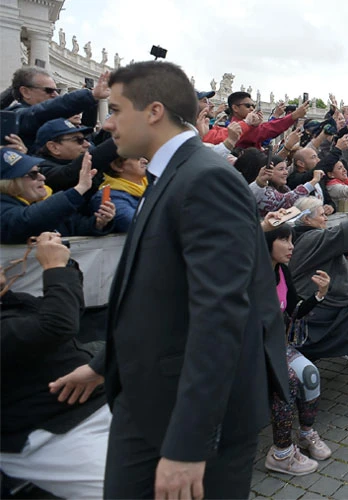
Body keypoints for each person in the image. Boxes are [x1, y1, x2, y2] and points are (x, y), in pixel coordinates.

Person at [50, 61, 291, 498]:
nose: (107, 123)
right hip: (152, 401)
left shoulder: (206, 179)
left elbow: (220, 316)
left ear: (154, 111)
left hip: (189, 423)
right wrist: (106, 365)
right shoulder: (176, 174)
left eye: (118, 109)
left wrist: (187, 445)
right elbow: (160, 298)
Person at [1, 232, 110, 499]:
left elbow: (68, 311)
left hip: (101, 404)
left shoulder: (10, 302)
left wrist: (66, 263)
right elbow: (56, 326)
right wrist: (54, 268)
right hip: (49, 433)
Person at [263, 225, 332, 476]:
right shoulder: (251, 273)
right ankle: (281, 454)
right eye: (283, 239)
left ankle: (305, 434)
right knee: (287, 381)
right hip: (249, 352)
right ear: (266, 241)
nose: (291, 246)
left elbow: (294, 311)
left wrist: (320, 294)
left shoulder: (282, 271)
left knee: (310, 373)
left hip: (277, 347)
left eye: (292, 240)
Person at [289, 190, 348, 361]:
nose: (325, 218)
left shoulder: (302, 235)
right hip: (322, 304)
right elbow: (346, 228)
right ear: (306, 219)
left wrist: (342, 250)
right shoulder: (311, 237)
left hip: (317, 296)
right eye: (321, 215)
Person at [0, 148, 115, 244]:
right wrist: (79, 189)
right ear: (11, 182)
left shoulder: (39, 203)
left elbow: (74, 226)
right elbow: (26, 221)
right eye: (33, 174)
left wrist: (98, 223)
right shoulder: (4, 208)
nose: (42, 177)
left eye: (39, 171)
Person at [6, 67, 108, 150]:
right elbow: (44, 111)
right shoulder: (17, 116)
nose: (56, 95)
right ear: (25, 92)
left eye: (57, 91)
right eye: (49, 90)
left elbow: (87, 127)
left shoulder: (49, 118)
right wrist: (91, 95)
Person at [89, 156, 148, 232]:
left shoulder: (152, 184)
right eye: (137, 158)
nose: (145, 161)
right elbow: (138, 224)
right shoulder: (110, 196)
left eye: (144, 156)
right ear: (117, 166)